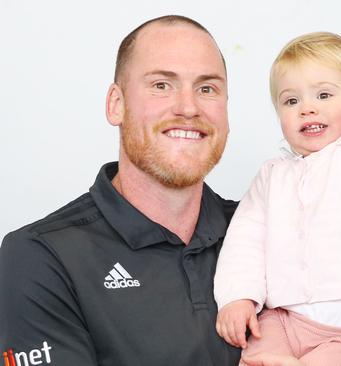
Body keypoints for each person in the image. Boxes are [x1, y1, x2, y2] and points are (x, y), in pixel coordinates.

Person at [0, 15, 241, 365]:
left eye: (207, 89)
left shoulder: (265, 229)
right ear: (117, 104)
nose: (189, 107)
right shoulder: (42, 257)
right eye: (162, 85)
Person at [213, 13, 341, 366]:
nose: (307, 108)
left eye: (324, 94)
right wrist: (238, 297)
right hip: (282, 319)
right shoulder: (271, 176)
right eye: (290, 101)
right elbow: (245, 240)